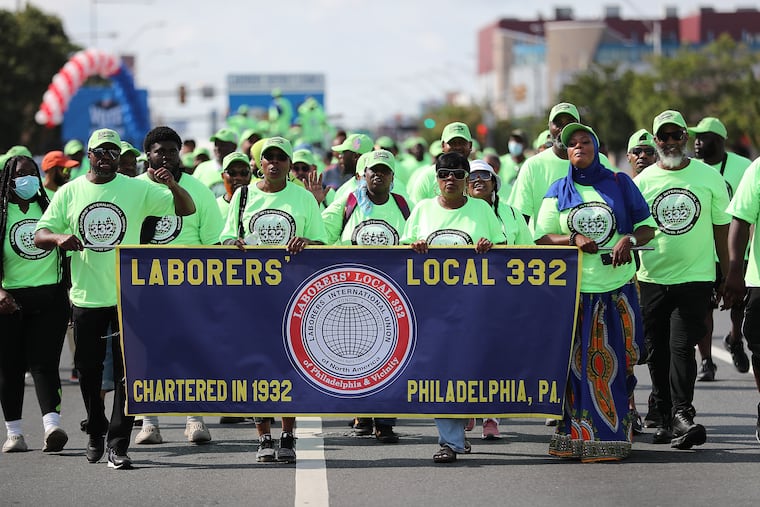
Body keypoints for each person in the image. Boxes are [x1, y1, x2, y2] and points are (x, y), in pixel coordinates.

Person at [33, 128, 196, 469]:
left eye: (112, 152)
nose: (106, 157)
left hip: (129, 297)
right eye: (100, 152)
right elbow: (39, 234)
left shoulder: (137, 188)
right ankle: (96, 429)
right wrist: (60, 237)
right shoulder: (70, 191)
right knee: (89, 372)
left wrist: (172, 185)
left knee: (128, 372)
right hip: (87, 296)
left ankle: (119, 443)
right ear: (90, 155)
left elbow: (186, 209)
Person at [534, 123, 656, 462]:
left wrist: (627, 239)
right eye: (571, 143)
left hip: (617, 289)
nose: (578, 147)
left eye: (584, 141)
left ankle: (618, 430)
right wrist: (572, 240)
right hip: (575, 292)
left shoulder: (620, 183)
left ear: (596, 147)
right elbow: (541, 236)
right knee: (576, 366)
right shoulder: (558, 190)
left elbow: (647, 228)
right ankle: (577, 437)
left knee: (621, 362)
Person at [220, 136, 326, 463]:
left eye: (282, 158)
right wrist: (232, 243)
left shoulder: (303, 199)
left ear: (290, 165)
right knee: (255, 366)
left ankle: (288, 433)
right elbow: (223, 239)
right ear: (260, 164)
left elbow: (323, 245)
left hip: (292, 294)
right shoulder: (243, 195)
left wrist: (307, 241)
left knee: (287, 366)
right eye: (269, 158)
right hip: (251, 294)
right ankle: (263, 436)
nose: (275, 163)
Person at [401, 152, 506, 463]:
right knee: (442, 373)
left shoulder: (482, 210)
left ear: (465, 179)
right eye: (445, 173)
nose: (451, 179)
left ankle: (465, 424)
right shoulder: (421, 210)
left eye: (458, 174)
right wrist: (414, 248)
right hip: (431, 309)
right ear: (436, 178)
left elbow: (503, 252)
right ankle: (449, 441)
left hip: (475, 307)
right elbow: (400, 255)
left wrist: (490, 248)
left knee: (470, 370)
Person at [634, 110, 730, 449]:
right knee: (656, 350)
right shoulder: (642, 182)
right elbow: (631, 232)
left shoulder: (707, 177)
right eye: (665, 136)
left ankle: (682, 413)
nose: (671, 141)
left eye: (677, 135)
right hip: (651, 277)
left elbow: (722, 229)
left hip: (696, 277)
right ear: (656, 141)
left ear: (685, 139)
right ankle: (662, 415)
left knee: (681, 346)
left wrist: (727, 273)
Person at [133, 126, 224, 445]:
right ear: (148, 155)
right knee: (147, 354)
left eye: (173, 151)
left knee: (191, 353)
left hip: (191, 288)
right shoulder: (133, 189)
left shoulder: (198, 190)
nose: (167, 157)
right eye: (160, 151)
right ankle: (149, 422)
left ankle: (195, 419)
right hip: (144, 288)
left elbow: (213, 242)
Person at [0, 156, 71, 453]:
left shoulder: (51, 204)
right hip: (9, 301)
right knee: (10, 367)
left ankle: (51, 426)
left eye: (32, 173)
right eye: (20, 174)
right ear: (8, 178)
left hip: (50, 297)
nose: (27, 179)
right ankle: (15, 433)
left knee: (44, 364)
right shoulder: (2, 212)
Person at [689, 117, 753, 381]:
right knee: (705, 307)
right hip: (703, 251)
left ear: (719, 140)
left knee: (739, 302)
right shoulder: (691, 169)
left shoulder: (742, 167)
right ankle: (706, 362)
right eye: (695, 137)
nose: (697, 143)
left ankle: (734, 338)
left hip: (738, 251)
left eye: (703, 137)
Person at [508, 103, 615, 227]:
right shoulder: (532, 166)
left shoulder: (600, 160)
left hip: (596, 242)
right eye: (558, 123)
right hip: (548, 244)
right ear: (549, 127)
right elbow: (519, 217)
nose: (563, 128)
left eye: (569, 123)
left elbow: (613, 205)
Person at [722, 155, 760, 442]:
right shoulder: (758, 168)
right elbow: (741, 218)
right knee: (758, 345)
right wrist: (734, 270)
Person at [408, 122, 473, 205]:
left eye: (462, 143)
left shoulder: (479, 173)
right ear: (442, 146)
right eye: (452, 143)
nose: (457, 147)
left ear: (470, 145)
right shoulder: (428, 176)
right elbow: (415, 209)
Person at [193, 128, 239, 197]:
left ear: (234, 147)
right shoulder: (201, 168)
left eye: (223, 144)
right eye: (216, 144)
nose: (218, 148)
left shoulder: (243, 170)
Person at [217, 152, 252, 219]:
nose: (238, 177)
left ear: (250, 175)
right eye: (232, 173)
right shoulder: (215, 207)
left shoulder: (259, 204)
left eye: (244, 172)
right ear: (222, 176)